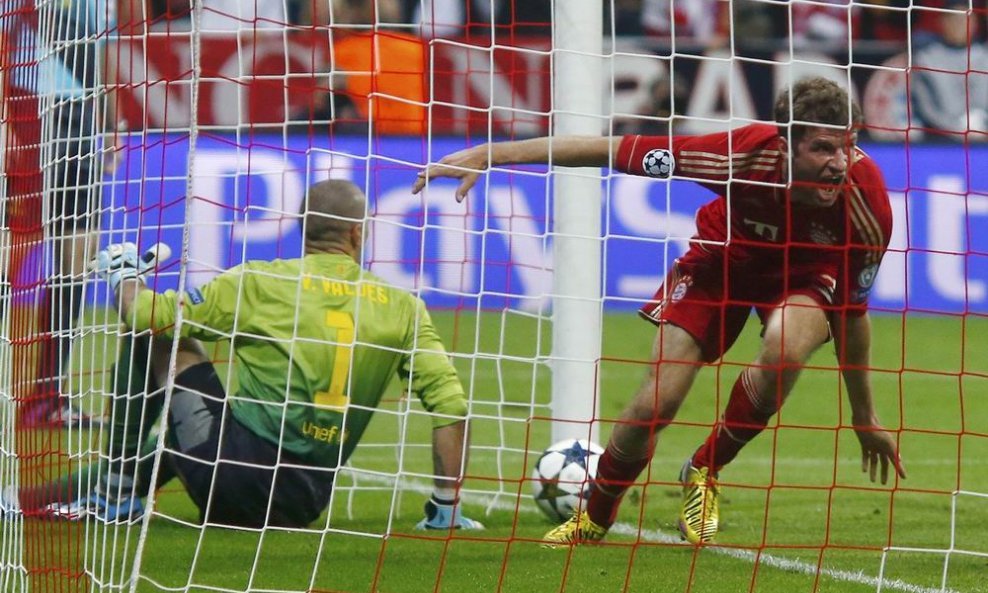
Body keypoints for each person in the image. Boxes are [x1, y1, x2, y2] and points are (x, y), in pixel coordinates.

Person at [413, 77, 906, 545]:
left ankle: (705, 469)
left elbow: (852, 314)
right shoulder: (734, 156)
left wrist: (865, 415)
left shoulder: (867, 204)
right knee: (656, 402)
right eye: (823, 149)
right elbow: (606, 150)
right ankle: (595, 518)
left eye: (847, 145)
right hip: (723, 260)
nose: (839, 162)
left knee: (786, 347)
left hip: (805, 277)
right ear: (785, 144)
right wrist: (493, 154)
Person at [10, 179, 483, 531]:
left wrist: (124, 275)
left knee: (161, 335)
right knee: (184, 440)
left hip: (227, 479)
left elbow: (145, 316)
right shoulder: (405, 308)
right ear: (359, 234)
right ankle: (59, 495)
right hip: (302, 505)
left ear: (300, 230)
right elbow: (452, 407)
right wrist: (446, 508)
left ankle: (114, 496)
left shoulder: (261, 281)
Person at [5, 0, 120, 428]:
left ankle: (47, 394)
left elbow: (101, 52)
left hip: (78, 119)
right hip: (27, 106)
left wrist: (111, 122)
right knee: (13, 250)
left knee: (79, 254)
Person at [911, 0, 988, 140]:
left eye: (965, 18)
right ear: (942, 22)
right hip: (941, 141)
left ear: (975, 22)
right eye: (953, 19)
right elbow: (926, 107)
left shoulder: (986, 57)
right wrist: (955, 130)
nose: (960, 24)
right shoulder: (926, 59)